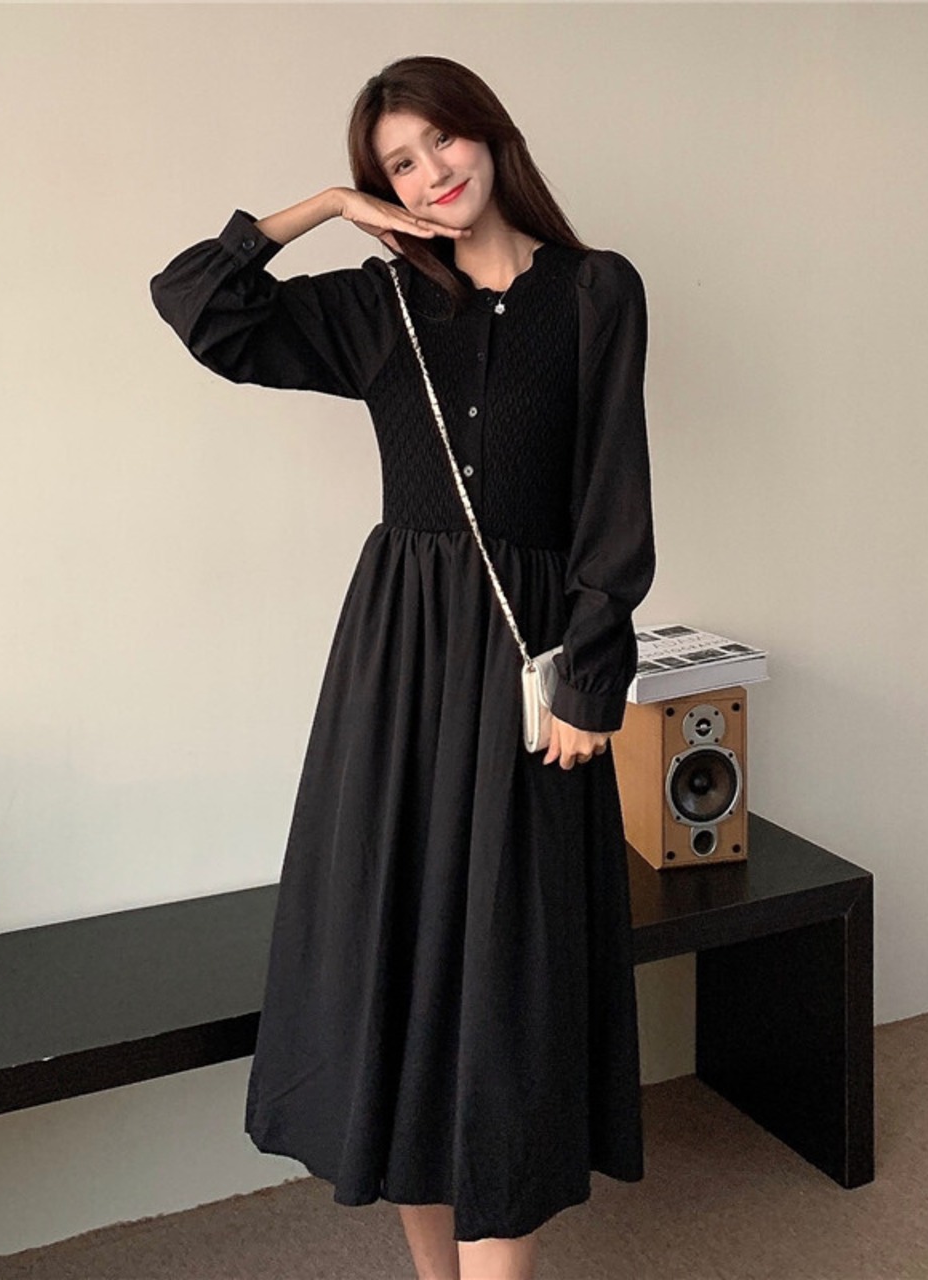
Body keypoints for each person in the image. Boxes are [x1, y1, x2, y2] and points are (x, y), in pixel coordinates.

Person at [150, 54, 656, 1280]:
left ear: (490, 134)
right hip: (397, 662)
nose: (431, 175)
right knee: (402, 958)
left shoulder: (595, 290)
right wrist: (326, 207)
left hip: (530, 657)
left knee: (509, 977)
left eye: (442, 142)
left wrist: (591, 675)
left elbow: (613, 490)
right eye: (398, 164)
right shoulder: (377, 305)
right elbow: (197, 304)